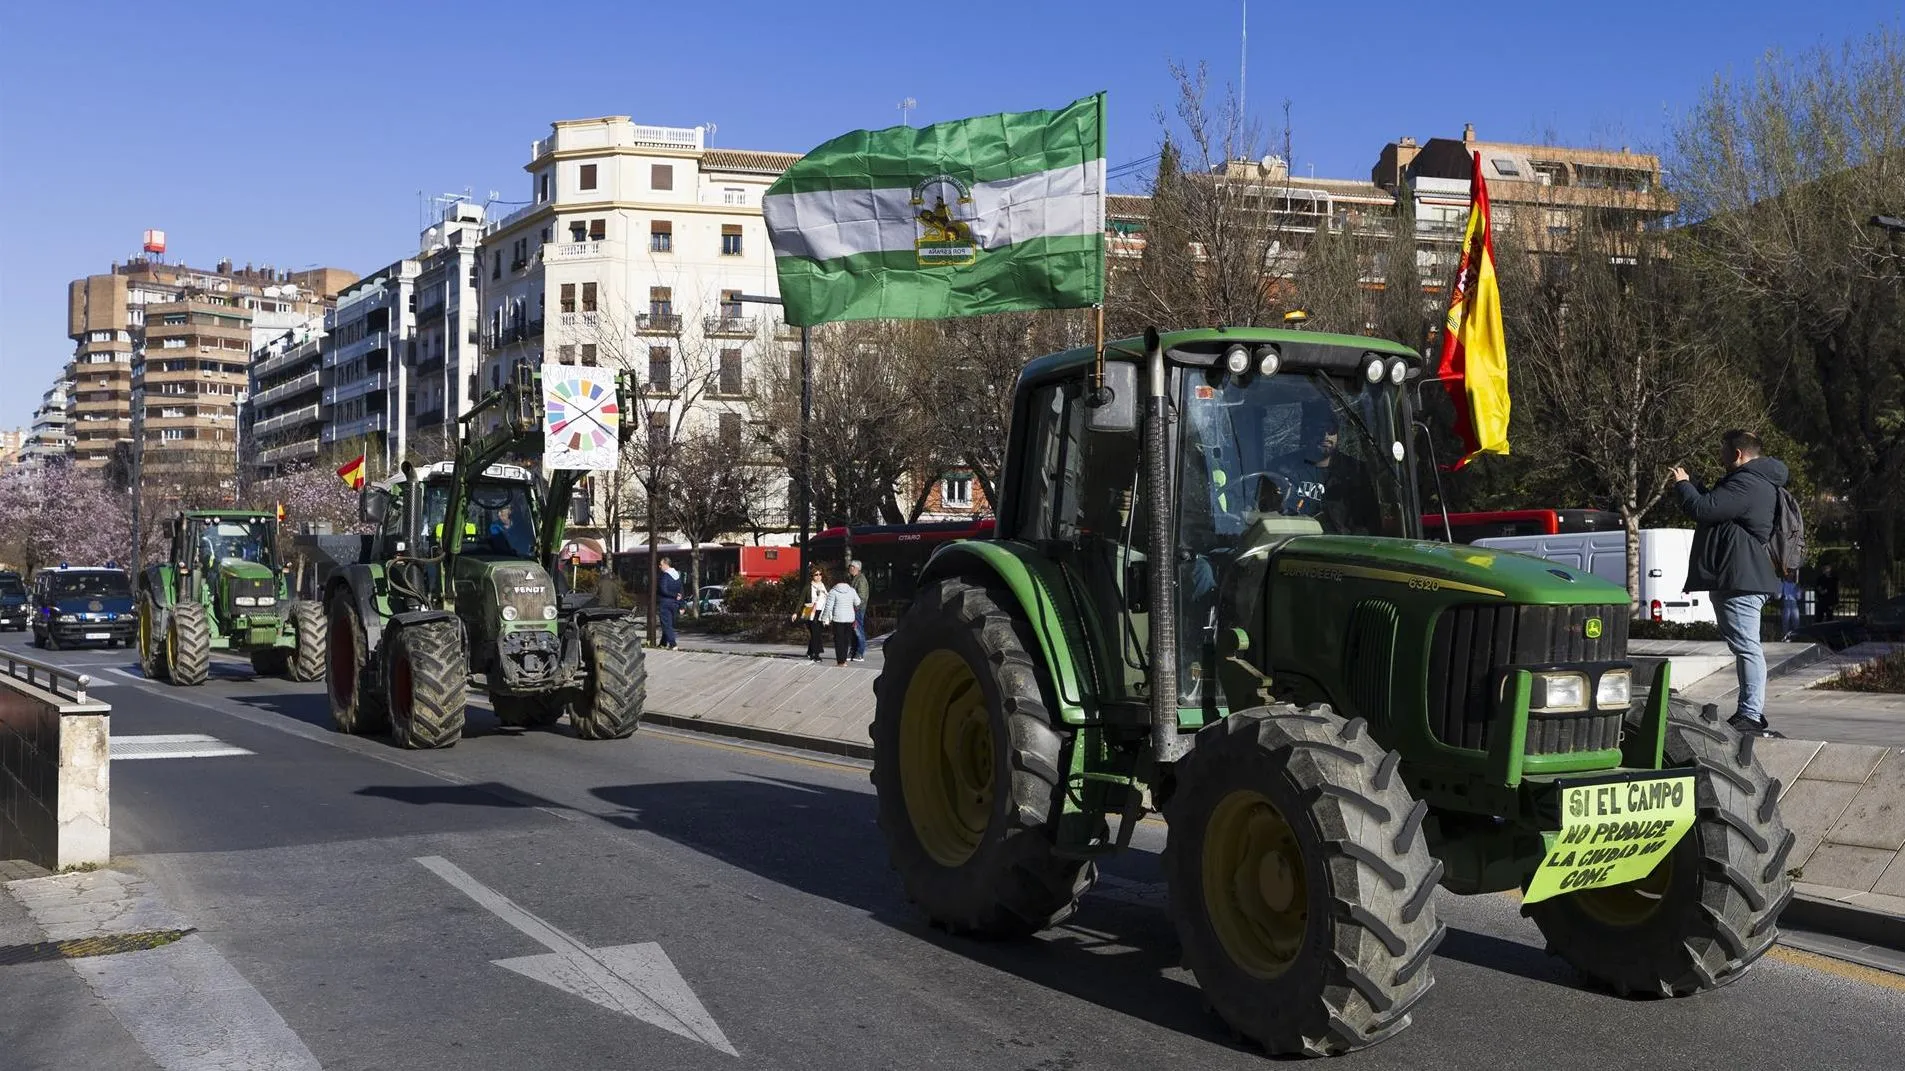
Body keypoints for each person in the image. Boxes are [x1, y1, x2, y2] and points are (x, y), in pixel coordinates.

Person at [1671, 429, 1788, 738]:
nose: (1719, 456)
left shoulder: (1747, 482)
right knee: (1745, 645)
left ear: (1737, 454)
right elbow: (1713, 506)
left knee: (1747, 647)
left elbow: (1703, 509)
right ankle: (1751, 711)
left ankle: (1750, 714)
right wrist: (1695, 486)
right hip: (1742, 577)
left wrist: (1683, 485)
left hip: (1742, 580)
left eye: (1723, 450)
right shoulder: (1754, 481)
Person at [824, 573, 862, 666]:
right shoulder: (852, 590)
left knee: (838, 640)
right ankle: (844, 660)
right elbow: (858, 602)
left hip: (838, 618)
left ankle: (840, 661)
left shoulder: (833, 591)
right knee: (846, 639)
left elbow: (829, 606)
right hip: (849, 618)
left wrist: (824, 617)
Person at [792, 566, 827, 663]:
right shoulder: (808, 587)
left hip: (821, 612)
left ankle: (810, 651)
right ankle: (816, 654)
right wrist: (796, 612)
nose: (818, 576)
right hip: (810, 611)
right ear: (812, 576)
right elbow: (801, 600)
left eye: (820, 574)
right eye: (816, 574)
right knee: (815, 633)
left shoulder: (824, 586)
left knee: (817, 633)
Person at [655, 556, 682, 650]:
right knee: (669, 624)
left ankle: (673, 644)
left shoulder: (664, 576)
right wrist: (681, 604)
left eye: (661, 564)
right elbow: (681, 591)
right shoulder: (677, 575)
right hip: (675, 604)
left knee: (666, 625)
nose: (659, 566)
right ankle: (663, 643)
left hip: (665, 603)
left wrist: (674, 595)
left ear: (666, 565)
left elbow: (663, 590)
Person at [848, 559, 871, 662]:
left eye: (852, 567)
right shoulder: (854, 578)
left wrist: (855, 608)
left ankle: (860, 653)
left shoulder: (861, 579)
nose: (850, 568)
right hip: (853, 609)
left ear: (857, 568)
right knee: (853, 631)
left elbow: (862, 597)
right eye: (850, 566)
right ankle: (853, 651)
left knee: (858, 630)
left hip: (857, 609)